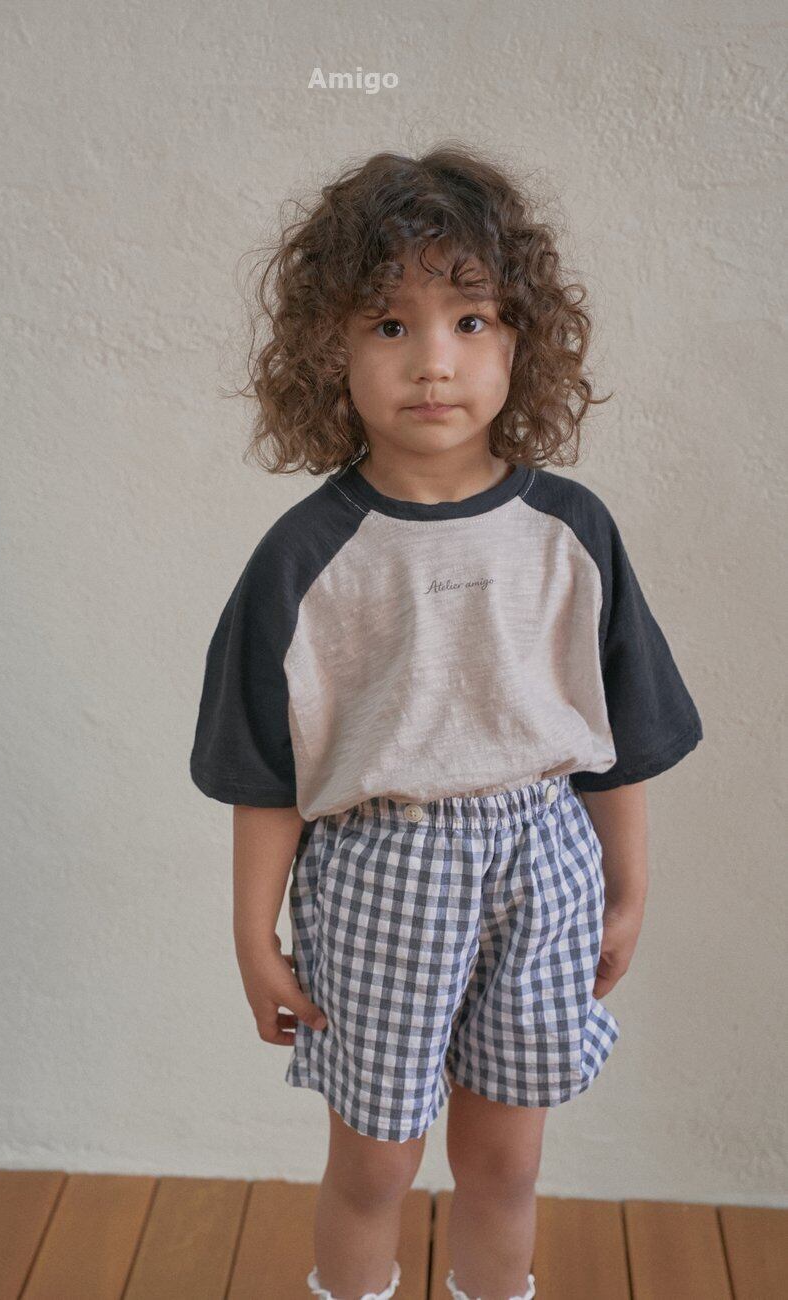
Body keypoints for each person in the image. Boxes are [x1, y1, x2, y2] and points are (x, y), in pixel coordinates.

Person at [189, 144, 703, 1300]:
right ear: (330, 348)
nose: (434, 361)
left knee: (506, 1160)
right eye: (390, 324)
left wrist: (627, 887)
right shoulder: (305, 557)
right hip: (383, 870)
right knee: (375, 1162)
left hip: (546, 863)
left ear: (522, 341)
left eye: (470, 321)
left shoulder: (573, 532)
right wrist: (253, 933)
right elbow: (264, 769)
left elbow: (622, 732)